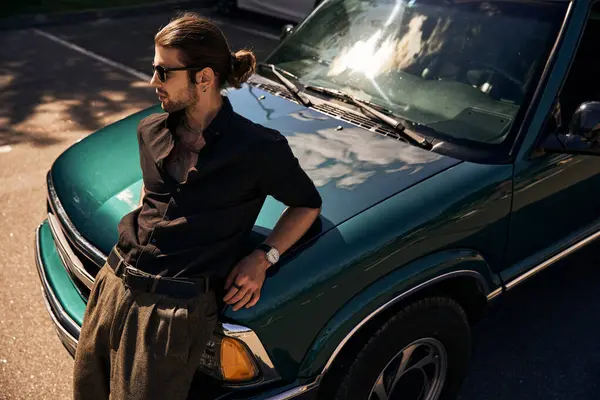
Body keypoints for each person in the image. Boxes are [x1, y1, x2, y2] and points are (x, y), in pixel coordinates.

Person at [72, 12, 322, 400]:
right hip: (112, 285)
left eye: (163, 72)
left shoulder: (258, 149)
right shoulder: (150, 131)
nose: (152, 82)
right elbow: (150, 201)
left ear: (203, 77)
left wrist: (263, 257)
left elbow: (307, 205)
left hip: (172, 314)